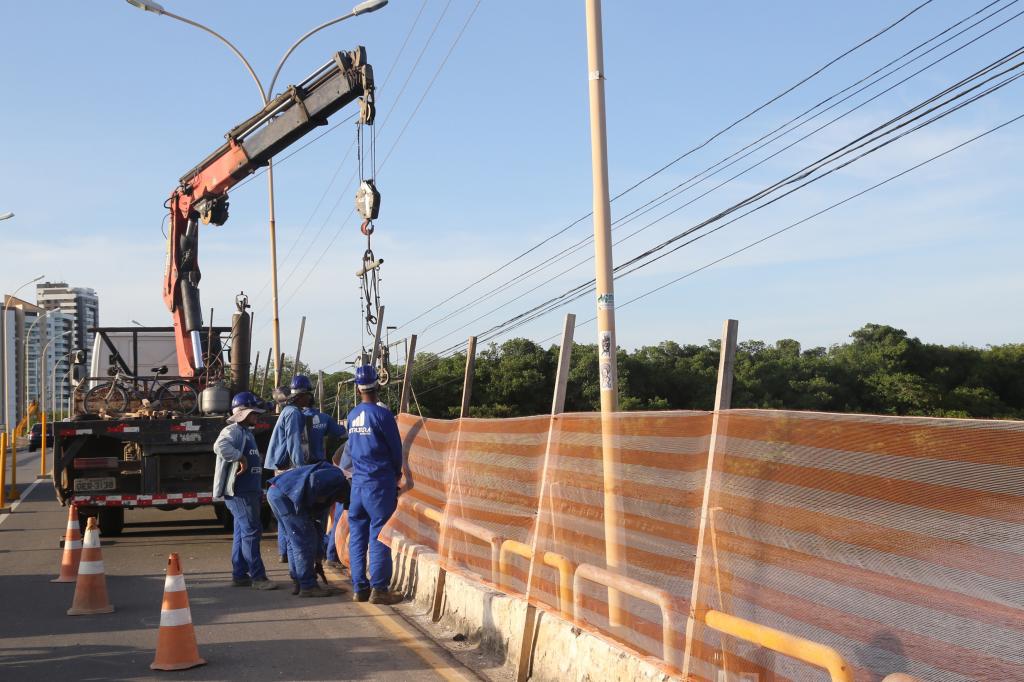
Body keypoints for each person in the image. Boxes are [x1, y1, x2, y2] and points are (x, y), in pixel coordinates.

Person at [346, 365, 405, 604]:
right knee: (380, 534)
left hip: (357, 485)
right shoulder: (383, 416)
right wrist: (396, 475)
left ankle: (360, 587)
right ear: (377, 385)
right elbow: (395, 450)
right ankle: (379, 589)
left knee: (358, 536)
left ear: (357, 388)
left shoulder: (352, 416)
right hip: (378, 484)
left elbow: (350, 449)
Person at [213, 392, 276, 591]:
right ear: (242, 413)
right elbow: (219, 446)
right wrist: (239, 457)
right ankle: (258, 578)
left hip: (249, 491)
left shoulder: (246, 432)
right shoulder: (233, 431)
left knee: (243, 533)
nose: (257, 416)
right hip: (240, 492)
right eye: (253, 412)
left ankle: (240, 574)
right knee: (251, 532)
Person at [266, 460, 350, 597]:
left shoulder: (330, 492)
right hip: (286, 495)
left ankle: (298, 581)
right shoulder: (336, 477)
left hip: (277, 492)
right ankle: (308, 586)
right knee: (302, 541)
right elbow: (313, 481)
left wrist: (317, 560)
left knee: (295, 540)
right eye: (343, 501)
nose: (339, 502)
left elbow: (317, 526)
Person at [265, 375, 319, 563]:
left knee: (285, 516)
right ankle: (295, 559)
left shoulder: (289, 411)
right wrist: (301, 471)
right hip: (289, 470)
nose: (309, 399)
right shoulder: (294, 414)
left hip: (283, 469)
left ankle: (286, 553)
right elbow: (294, 443)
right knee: (293, 516)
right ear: (301, 396)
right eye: (308, 395)